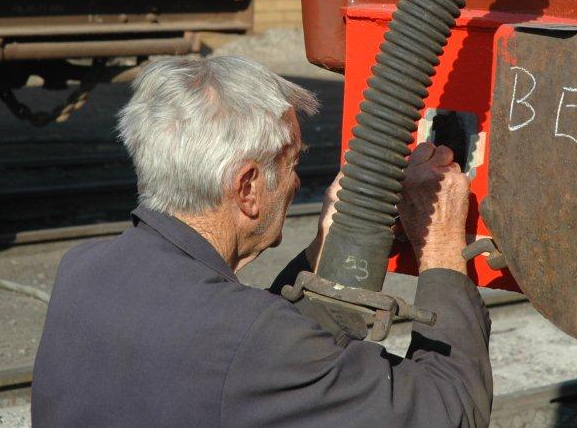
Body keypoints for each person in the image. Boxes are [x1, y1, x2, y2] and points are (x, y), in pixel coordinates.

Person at [32, 56, 492, 427]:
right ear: (247, 188)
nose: (295, 185)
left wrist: (321, 251)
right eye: (292, 163)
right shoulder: (252, 341)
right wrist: (442, 249)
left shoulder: (82, 270)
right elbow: (451, 408)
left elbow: (245, 360)